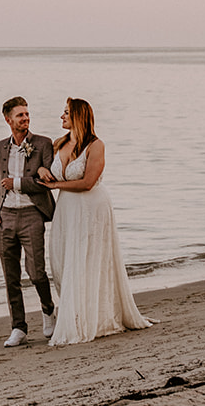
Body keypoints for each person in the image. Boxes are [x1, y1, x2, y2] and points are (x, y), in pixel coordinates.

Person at [37, 97, 151, 347]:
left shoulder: (96, 146)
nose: (61, 116)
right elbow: (46, 171)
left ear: (78, 116)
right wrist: (42, 172)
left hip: (91, 209)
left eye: (66, 112)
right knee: (62, 262)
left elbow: (88, 182)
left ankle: (93, 319)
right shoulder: (59, 144)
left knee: (88, 261)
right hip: (66, 210)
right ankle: (74, 312)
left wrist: (55, 185)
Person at [0, 96, 57, 348]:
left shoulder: (42, 144)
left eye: (27, 114)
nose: (25, 118)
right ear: (8, 120)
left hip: (32, 214)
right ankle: (19, 327)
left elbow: (49, 180)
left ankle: (48, 309)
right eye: (20, 115)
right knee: (11, 276)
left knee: (36, 272)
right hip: (5, 216)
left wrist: (18, 183)